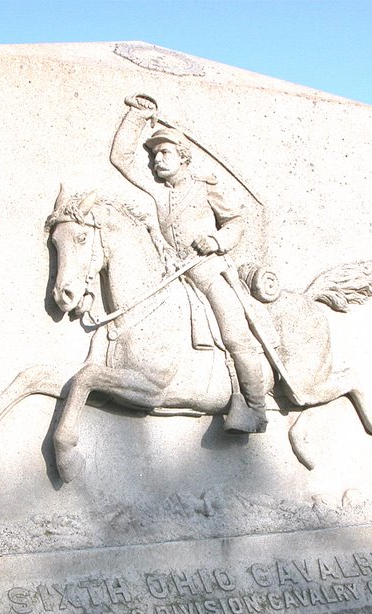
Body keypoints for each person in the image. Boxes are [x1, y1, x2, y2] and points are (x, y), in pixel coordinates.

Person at [110, 94, 268, 433]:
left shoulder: (205, 187)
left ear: (184, 158)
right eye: (153, 156)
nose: (156, 161)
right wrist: (138, 117)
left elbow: (236, 222)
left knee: (236, 335)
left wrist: (216, 241)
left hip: (209, 273)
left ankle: (256, 409)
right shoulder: (159, 193)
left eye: (164, 153)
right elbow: (121, 157)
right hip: (171, 275)